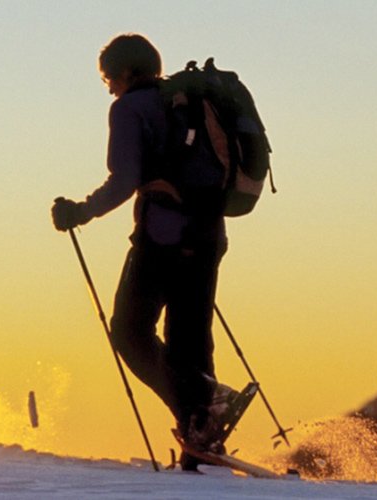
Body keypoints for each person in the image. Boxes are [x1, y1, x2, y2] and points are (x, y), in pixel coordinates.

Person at [50, 33, 243, 468]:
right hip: (210, 233)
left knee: (130, 331)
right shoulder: (185, 102)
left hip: (164, 237)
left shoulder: (130, 108)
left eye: (109, 78)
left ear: (127, 72)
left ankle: (206, 399)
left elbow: (124, 180)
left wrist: (79, 212)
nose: (109, 87)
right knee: (190, 341)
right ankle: (203, 441)